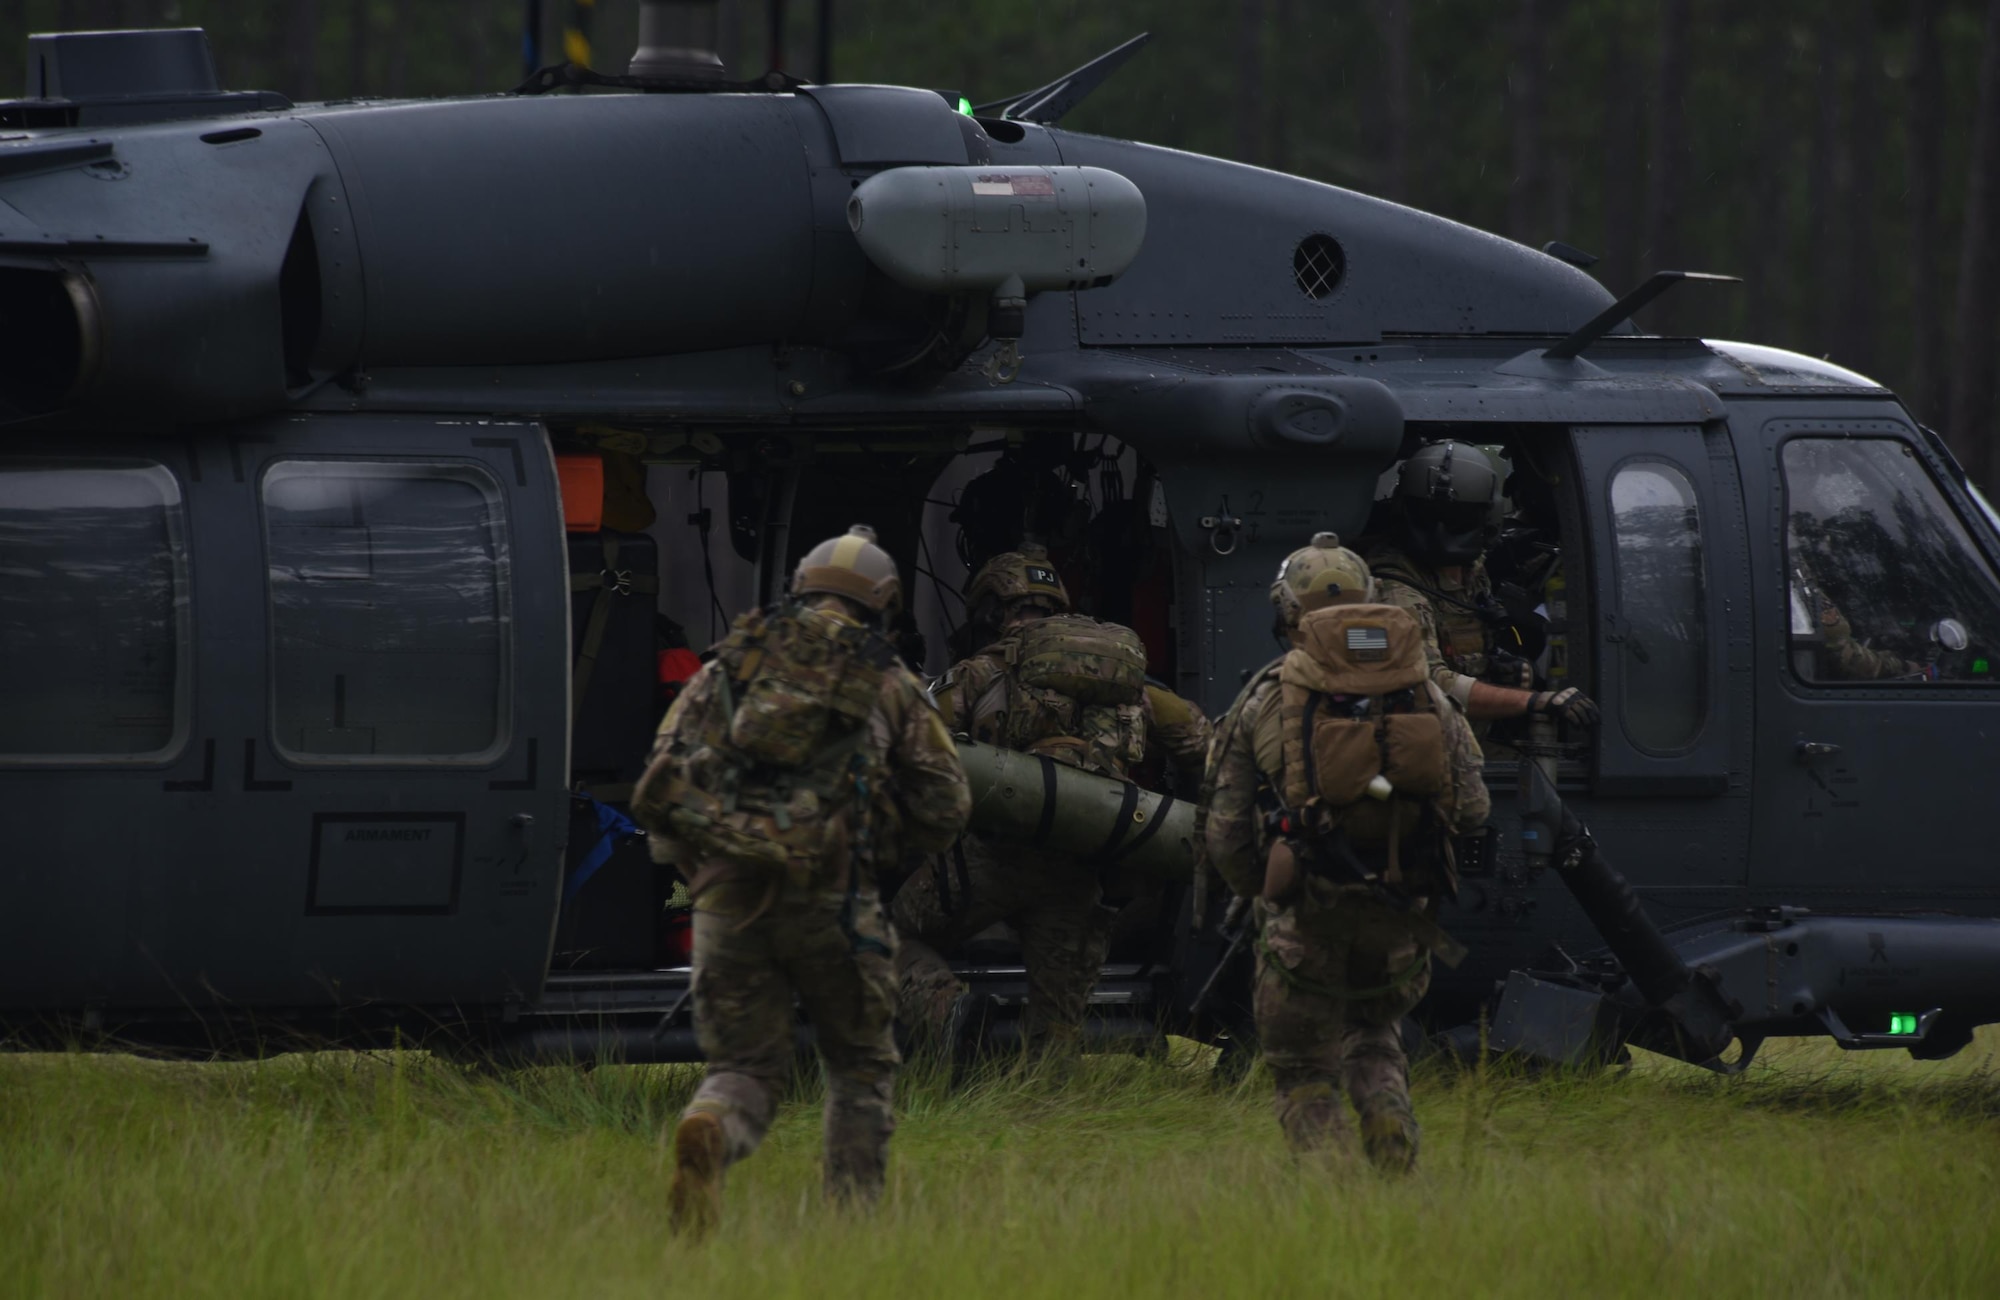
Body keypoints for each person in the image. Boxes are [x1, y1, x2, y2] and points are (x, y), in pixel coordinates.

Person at [633, 525, 971, 1235]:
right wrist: (882, 850)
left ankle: (712, 1128)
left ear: (800, 585)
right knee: (858, 1066)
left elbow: (665, 784)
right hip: (837, 903)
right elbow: (948, 804)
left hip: (727, 899)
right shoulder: (890, 680)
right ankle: (848, 1232)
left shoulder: (729, 666)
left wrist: (707, 872)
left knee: (747, 1067)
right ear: (882, 601)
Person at [1203, 533, 1489, 1172]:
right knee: (1375, 1041)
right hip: (1400, 915)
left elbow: (1224, 832)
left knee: (1304, 1071)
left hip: (1306, 913)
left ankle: (1336, 1193)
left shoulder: (1265, 695)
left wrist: (1262, 888)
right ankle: (1389, 1129)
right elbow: (1474, 809)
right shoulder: (1427, 693)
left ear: (1285, 613)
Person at [892, 541, 1211, 1064]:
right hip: (1083, 866)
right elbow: (1198, 739)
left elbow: (916, 743)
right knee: (1058, 1030)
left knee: (888, 937)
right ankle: (1044, 1101)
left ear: (993, 610)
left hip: (990, 862)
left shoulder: (980, 672)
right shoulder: (1122, 678)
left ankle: (947, 1012)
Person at [1364, 440, 1598, 734]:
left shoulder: (1472, 571)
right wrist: (1534, 701)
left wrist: (1500, 667)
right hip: (1422, 744)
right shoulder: (1392, 589)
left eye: (1457, 520)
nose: (1440, 533)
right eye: (1427, 516)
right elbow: (1423, 684)